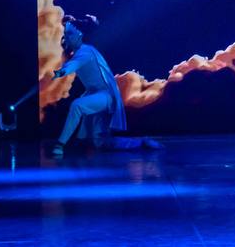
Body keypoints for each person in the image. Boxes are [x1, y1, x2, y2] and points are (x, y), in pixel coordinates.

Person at [50, 20, 161, 158]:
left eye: (71, 33)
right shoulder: (79, 53)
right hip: (95, 95)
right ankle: (140, 143)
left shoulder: (86, 51)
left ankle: (60, 144)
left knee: (77, 105)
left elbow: (74, 64)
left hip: (105, 95)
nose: (69, 37)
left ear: (79, 35)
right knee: (99, 142)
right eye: (67, 35)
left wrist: (62, 72)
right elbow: (73, 63)